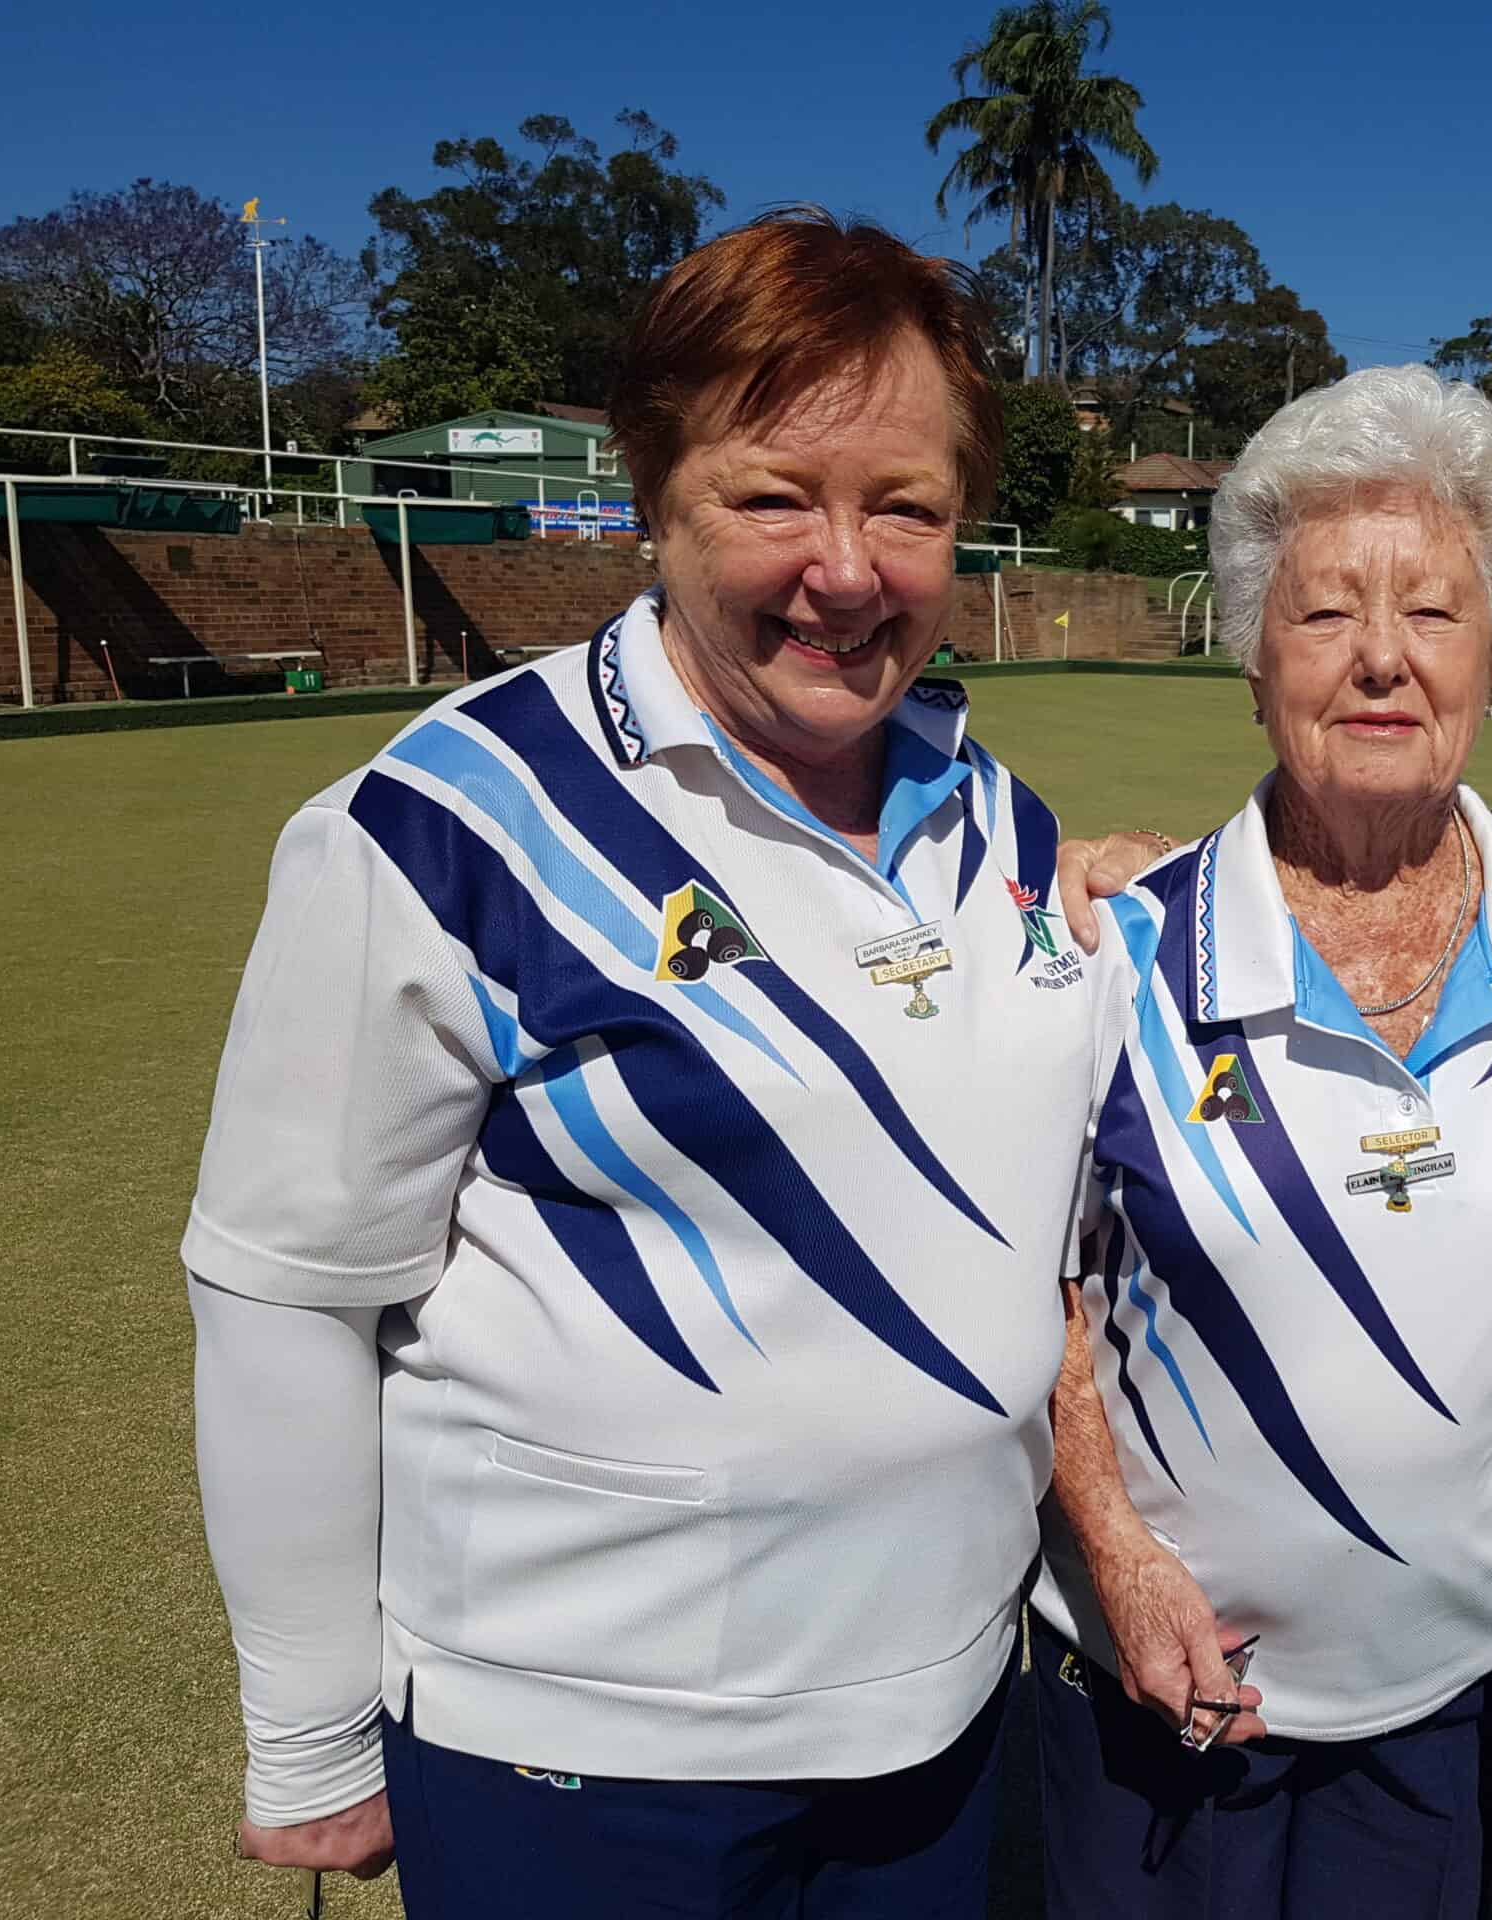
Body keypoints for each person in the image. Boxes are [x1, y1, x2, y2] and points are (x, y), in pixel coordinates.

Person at [185, 210, 1104, 1919]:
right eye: (774, 496)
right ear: (649, 489)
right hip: (586, 1743)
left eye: (904, 506)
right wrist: (308, 1732)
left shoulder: (999, 816)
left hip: (938, 1709)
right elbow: (283, 1290)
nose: (848, 568)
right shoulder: (440, 825)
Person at [1032, 365, 1492, 1918]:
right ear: (1254, 663)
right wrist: (1117, 1551)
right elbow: (1035, 1279)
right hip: (1159, 1670)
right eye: (1326, 614)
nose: (1381, 660)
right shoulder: (1121, 950)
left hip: (1460, 1679)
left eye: (1434, 615)